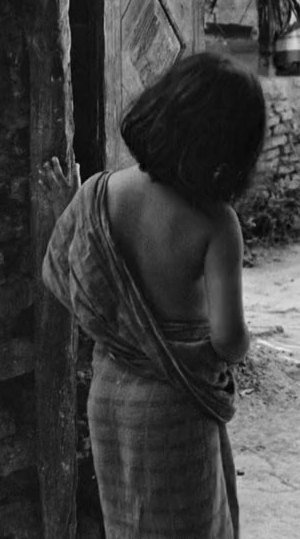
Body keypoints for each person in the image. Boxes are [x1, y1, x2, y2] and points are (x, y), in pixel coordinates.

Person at [39, 53, 267, 539]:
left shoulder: (98, 194)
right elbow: (227, 340)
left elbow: (70, 277)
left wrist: (69, 207)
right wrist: (240, 344)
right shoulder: (216, 223)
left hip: (109, 401)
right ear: (231, 148)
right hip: (174, 412)